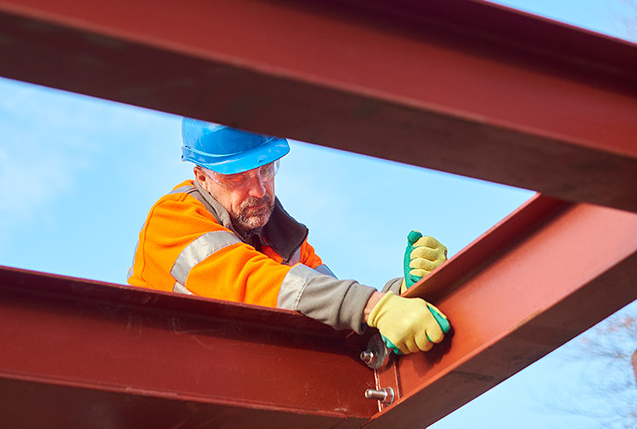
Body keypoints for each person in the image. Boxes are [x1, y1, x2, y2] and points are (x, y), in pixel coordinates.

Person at [128, 118, 451, 355]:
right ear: (202, 177)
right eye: (238, 178)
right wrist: (376, 307)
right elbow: (253, 283)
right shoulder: (173, 220)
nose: (258, 190)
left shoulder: (279, 237)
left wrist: (405, 291)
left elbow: (334, 309)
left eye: (265, 170)